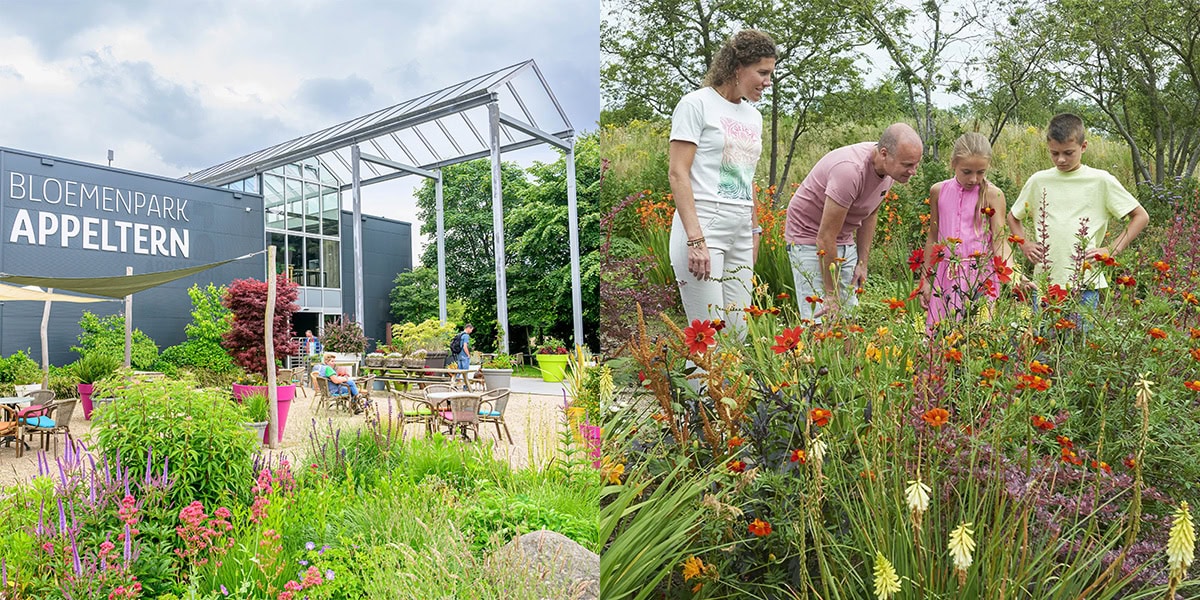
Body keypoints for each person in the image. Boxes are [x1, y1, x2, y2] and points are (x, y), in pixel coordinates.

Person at [668, 29, 776, 338]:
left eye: (770, 73)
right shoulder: (696, 104)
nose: (768, 81)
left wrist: (753, 231)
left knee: (738, 335)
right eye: (762, 72)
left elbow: (747, 177)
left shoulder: (753, 117)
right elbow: (678, 173)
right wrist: (695, 239)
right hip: (704, 224)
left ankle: (725, 389)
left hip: (740, 229)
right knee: (707, 335)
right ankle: (698, 388)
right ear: (737, 67)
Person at [1007, 113, 1150, 307]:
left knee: (1082, 336)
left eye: (1068, 152)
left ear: (1083, 147)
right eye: (1054, 153)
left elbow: (1140, 216)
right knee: (1044, 337)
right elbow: (1013, 217)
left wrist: (1112, 250)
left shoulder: (1101, 180)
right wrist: (1025, 245)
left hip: (1085, 282)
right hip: (1045, 282)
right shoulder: (1038, 180)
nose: (1060, 160)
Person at [785, 123, 923, 320]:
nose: (913, 171)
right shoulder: (850, 171)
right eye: (908, 165)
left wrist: (862, 262)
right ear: (884, 154)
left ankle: (848, 351)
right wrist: (831, 295)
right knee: (822, 317)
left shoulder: (891, 171)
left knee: (849, 318)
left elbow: (870, 213)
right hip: (809, 237)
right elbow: (825, 237)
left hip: (842, 237)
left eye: (916, 164)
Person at [920, 132, 1017, 327]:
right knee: (942, 335)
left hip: (979, 274)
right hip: (946, 275)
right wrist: (926, 279)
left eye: (981, 172)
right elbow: (933, 236)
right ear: (953, 163)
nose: (974, 179)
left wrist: (1014, 275)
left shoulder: (993, 194)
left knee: (977, 336)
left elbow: (999, 240)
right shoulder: (938, 191)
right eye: (967, 172)